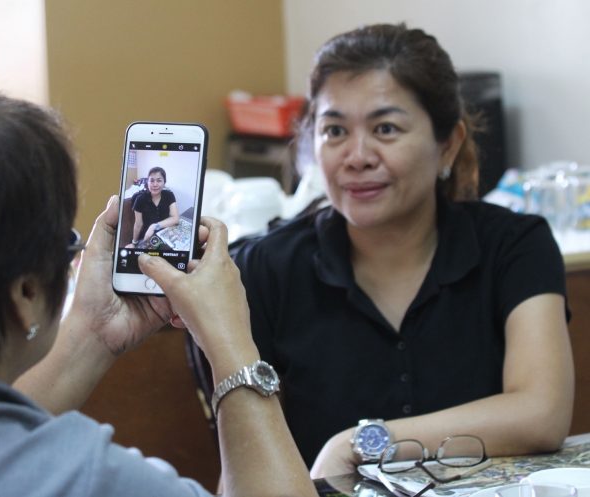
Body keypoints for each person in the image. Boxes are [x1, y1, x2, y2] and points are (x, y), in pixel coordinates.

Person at [0, 78, 318, 497]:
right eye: (65, 243)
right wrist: (232, 348)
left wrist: (93, 331)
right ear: (26, 293)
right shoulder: (90, 479)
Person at [233, 23, 574, 477]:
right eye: (334, 131)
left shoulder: (514, 246)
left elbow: (541, 413)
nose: (357, 156)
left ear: (447, 145)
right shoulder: (263, 269)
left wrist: (361, 444)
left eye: (386, 128)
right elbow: (242, 464)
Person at [131, 166, 180, 246]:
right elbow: (138, 224)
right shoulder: (140, 199)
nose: (155, 184)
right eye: (152, 181)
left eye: (159, 180)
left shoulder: (169, 195)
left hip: (165, 234)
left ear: (164, 182)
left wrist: (154, 226)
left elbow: (175, 218)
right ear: (147, 182)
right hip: (148, 237)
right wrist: (134, 242)